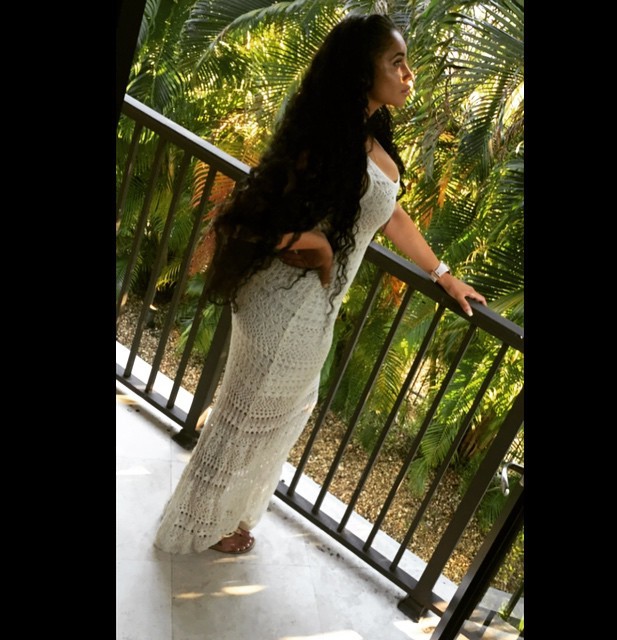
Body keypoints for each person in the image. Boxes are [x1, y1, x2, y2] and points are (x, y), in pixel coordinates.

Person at [154, 13, 487, 555]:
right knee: (244, 419)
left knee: (280, 416)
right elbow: (253, 223)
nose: (409, 74)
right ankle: (193, 527)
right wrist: (322, 247)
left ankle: (225, 516)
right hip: (283, 303)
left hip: (312, 307)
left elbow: (390, 214)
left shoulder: (370, 131)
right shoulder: (326, 139)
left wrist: (443, 275)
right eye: (397, 62)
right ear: (362, 71)